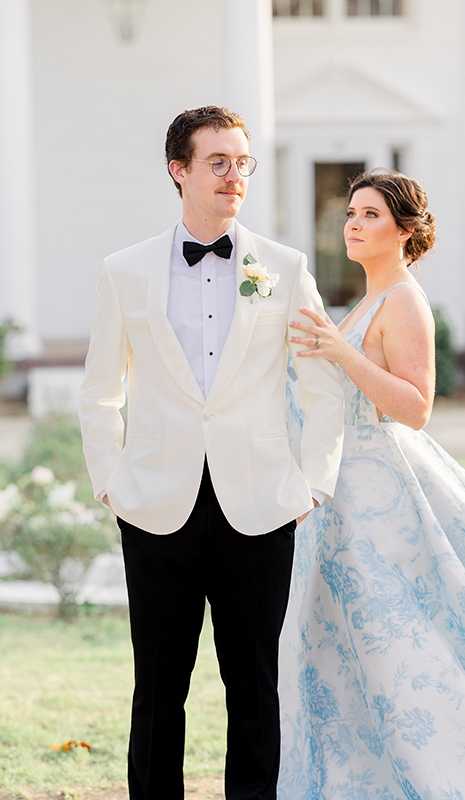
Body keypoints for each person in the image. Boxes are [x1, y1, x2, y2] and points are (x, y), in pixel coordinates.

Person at [78, 105, 344, 800]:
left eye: (243, 162)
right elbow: (100, 389)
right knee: (158, 688)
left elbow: (321, 385)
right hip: (154, 505)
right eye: (218, 162)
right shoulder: (125, 270)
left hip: (260, 507)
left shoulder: (283, 268)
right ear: (179, 170)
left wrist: (312, 483)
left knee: (253, 687)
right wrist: (111, 481)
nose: (234, 176)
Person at [278, 168, 465, 799]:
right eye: (352, 213)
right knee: (344, 641)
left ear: (405, 231)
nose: (354, 225)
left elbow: (416, 408)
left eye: (370, 215)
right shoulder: (365, 300)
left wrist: (342, 354)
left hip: (382, 494)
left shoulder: (405, 300)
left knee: (400, 638)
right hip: (341, 492)